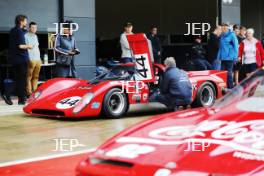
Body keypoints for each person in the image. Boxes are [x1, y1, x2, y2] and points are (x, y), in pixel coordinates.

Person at [2, 15, 32, 105]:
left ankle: (21, 99)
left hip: (14, 59)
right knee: (21, 80)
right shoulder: (19, 31)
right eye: (25, 21)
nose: (26, 23)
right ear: (21, 21)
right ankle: (8, 94)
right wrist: (29, 46)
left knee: (18, 79)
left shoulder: (12, 31)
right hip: (22, 59)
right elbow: (20, 45)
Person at [218, 23, 239, 89]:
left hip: (230, 57)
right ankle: (224, 87)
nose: (223, 29)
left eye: (225, 28)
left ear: (227, 28)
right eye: (222, 28)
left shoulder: (232, 35)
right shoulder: (221, 35)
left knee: (229, 73)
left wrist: (235, 57)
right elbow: (221, 47)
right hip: (223, 58)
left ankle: (231, 88)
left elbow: (236, 47)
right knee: (222, 73)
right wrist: (218, 56)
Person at [25, 22, 41, 96]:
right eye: (33, 27)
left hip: (38, 59)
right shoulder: (25, 36)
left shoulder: (35, 36)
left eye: (36, 27)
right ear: (29, 28)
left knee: (36, 76)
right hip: (31, 58)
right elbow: (26, 47)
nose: (35, 29)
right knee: (29, 76)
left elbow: (36, 47)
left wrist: (39, 57)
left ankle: (34, 92)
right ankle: (29, 93)